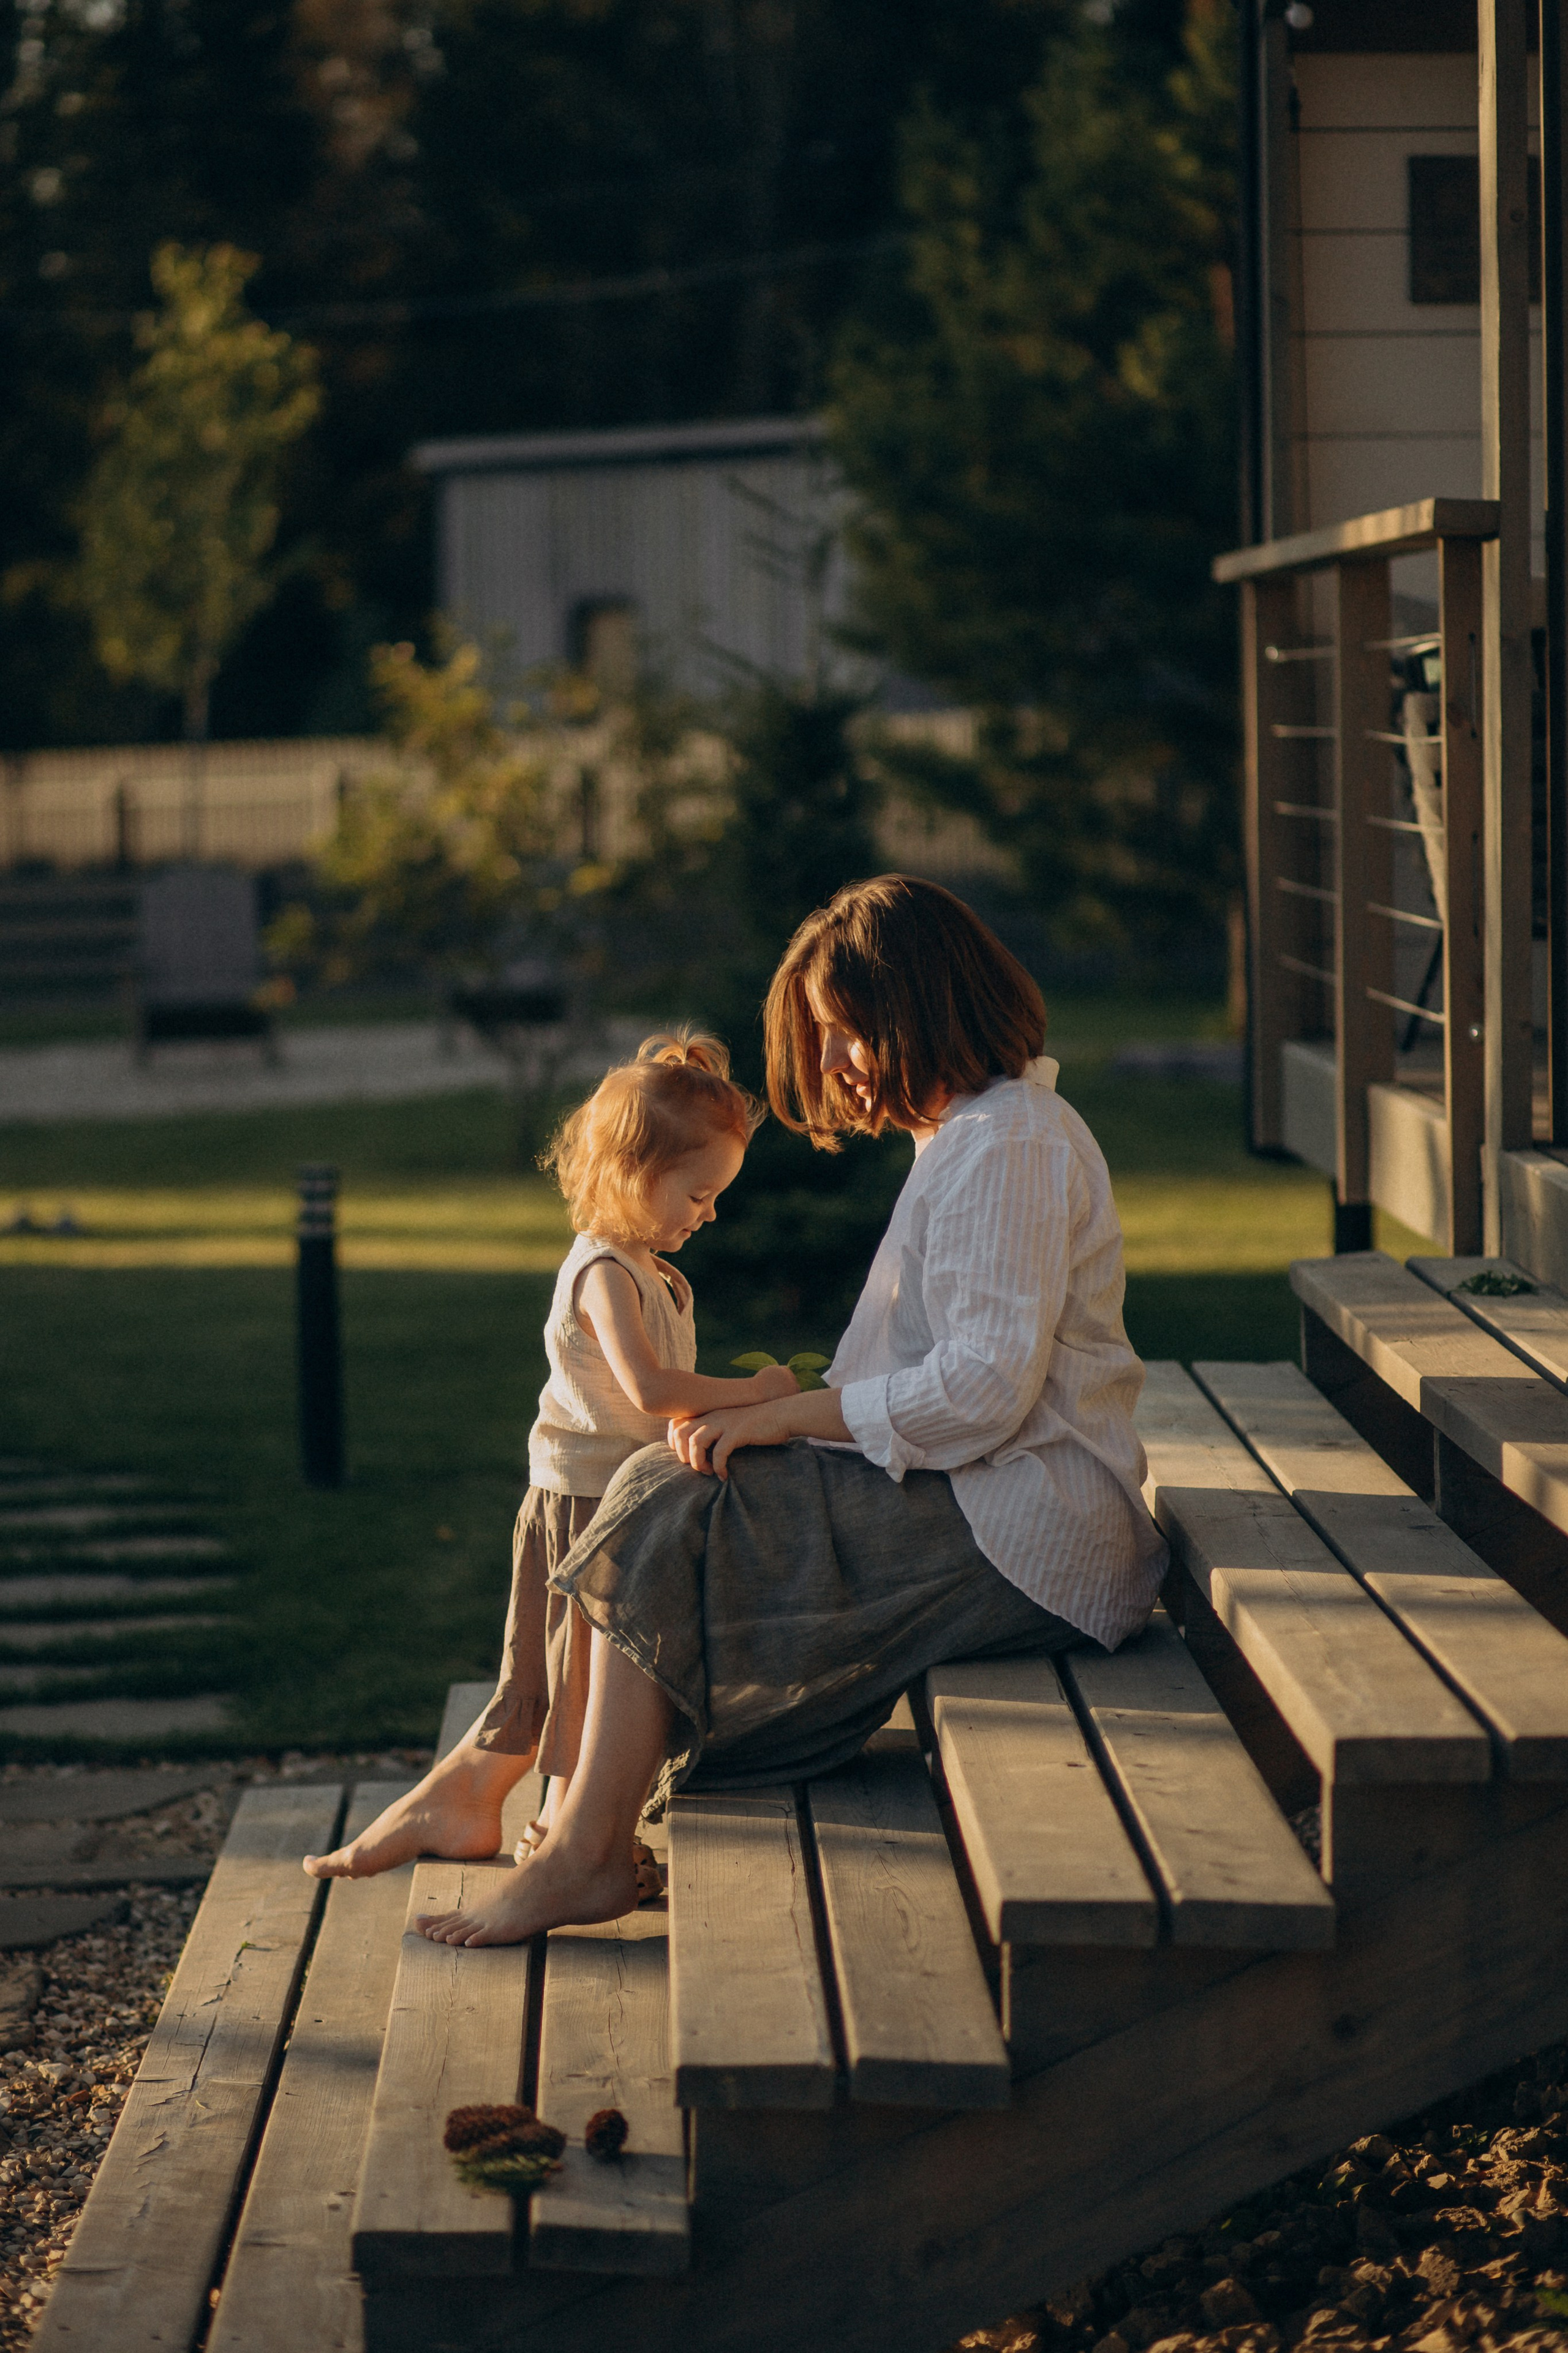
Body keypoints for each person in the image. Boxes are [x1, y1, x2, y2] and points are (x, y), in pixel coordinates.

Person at [305, 876, 1169, 1943]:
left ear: (923, 1006)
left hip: (1033, 1529)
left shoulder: (1009, 1147)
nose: (839, 1063)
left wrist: (784, 1418)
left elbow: (986, 1391)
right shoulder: (975, 1137)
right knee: (663, 1485)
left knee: (675, 1506)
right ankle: (561, 1813)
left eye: (849, 1032)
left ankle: (578, 1843)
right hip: (983, 1496)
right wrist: (788, 1420)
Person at [302, 1029, 796, 1885]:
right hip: (586, 1508)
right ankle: (558, 1837)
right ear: (636, 1175)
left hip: (626, 1505)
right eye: (701, 1191)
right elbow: (648, 1388)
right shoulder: (605, 1271)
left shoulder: (651, 1266)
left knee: (562, 1673)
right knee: (579, 1682)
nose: (709, 1212)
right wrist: (760, 1395)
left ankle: (481, 1810)